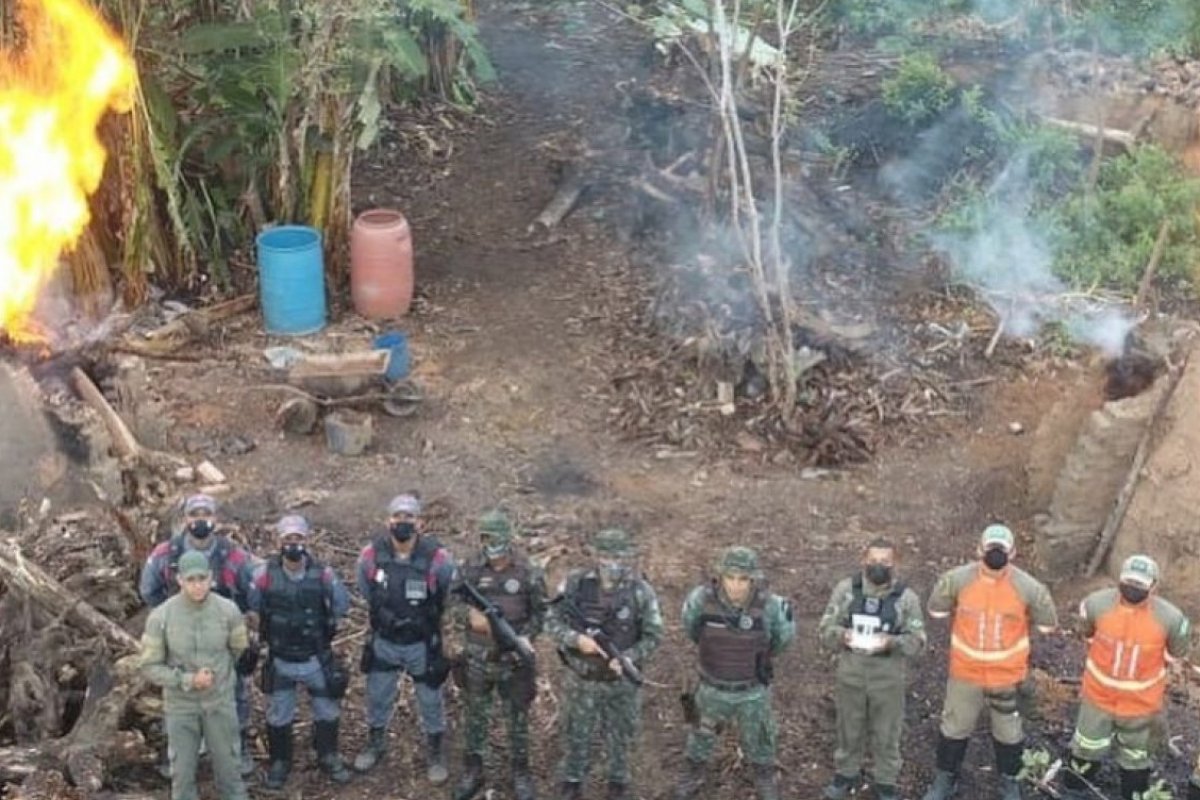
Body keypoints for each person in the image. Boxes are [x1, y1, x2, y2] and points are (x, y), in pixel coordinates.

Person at [921, 524, 1058, 800]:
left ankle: (1010, 782)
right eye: (990, 549)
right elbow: (936, 609)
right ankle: (945, 780)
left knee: (1009, 732)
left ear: (1014, 553)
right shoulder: (956, 580)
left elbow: (1047, 625)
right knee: (954, 728)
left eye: (1001, 550)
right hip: (965, 672)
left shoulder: (1028, 587)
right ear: (978, 550)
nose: (995, 554)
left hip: (1007, 676)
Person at [138, 493, 257, 776]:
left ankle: (235, 748)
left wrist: (239, 622)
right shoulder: (166, 554)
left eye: (206, 514)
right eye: (194, 515)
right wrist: (167, 618)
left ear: (215, 519)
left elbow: (254, 592)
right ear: (185, 519)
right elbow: (148, 590)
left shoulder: (234, 555)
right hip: (180, 634)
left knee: (235, 690)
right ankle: (177, 752)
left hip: (222, 635)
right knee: (178, 690)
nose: (200, 520)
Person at [548, 527, 664, 800]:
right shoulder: (575, 584)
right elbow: (551, 619)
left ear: (628, 557)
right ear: (595, 555)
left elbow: (654, 636)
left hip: (620, 682)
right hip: (581, 679)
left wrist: (628, 658)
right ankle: (572, 780)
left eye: (619, 557)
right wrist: (575, 640)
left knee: (622, 736)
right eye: (606, 556)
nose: (612, 563)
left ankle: (618, 783)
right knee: (575, 731)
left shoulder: (641, 591)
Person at [1062, 555, 1190, 800]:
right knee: (1085, 750)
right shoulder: (1096, 604)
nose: (1133, 589)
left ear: (1154, 586)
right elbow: (1087, 633)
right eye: (1129, 582)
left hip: (1140, 707)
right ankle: (1073, 791)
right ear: (1119, 580)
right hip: (1097, 700)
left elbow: (1175, 655)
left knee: (1136, 762)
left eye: (1140, 585)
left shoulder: (1171, 620)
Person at [673, 546, 795, 800]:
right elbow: (693, 630)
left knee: (761, 739)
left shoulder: (772, 606)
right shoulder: (701, 600)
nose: (737, 586)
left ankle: (764, 775)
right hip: (712, 687)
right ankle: (693, 773)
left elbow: (782, 641)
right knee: (701, 736)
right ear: (720, 577)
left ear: (754, 579)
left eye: (744, 579)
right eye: (731, 578)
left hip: (751, 690)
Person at [353, 492, 456, 784]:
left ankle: (435, 753)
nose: (402, 522)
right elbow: (365, 590)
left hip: (422, 644)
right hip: (385, 641)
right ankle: (375, 744)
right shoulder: (371, 555)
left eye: (409, 517)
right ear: (388, 521)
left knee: (430, 699)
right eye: (397, 516)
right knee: (377, 695)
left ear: (419, 522)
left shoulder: (438, 558)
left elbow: (450, 595)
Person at [248, 514, 353, 789]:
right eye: (287, 539)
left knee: (327, 708)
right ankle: (280, 761)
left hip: (316, 657)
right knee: (278, 713)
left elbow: (342, 604)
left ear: (307, 541)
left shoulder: (324, 575)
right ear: (278, 541)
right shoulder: (263, 576)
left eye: (298, 538)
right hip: (281, 657)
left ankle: (328, 755)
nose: (293, 544)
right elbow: (252, 606)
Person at [818, 537, 927, 800]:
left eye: (885, 562)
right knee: (849, 726)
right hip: (851, 672)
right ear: (864, 560)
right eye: (874, 560)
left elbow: (919, 642)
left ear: (895, 564)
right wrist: (844, 635)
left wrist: (891, 642)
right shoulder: (847, 590)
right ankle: (845, 774)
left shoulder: (906, 598)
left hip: (888, 676)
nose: (879, 566)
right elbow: (824, 630)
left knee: (887, 731)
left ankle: (886, 782)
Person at [450, 510, 548, 800]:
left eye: (498, 538)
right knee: (475, 716)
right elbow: (451, 601)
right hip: (478, 658)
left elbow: (541, 613)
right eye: (486, 538)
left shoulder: (528, 572)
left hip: (515, 660)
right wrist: (469, 616)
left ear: (509, 539)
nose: (492, 545)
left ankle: (520, 772)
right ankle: (473, 770)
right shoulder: (469, 568)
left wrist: (525, 637)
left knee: (517, 718)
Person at [138, 550, 250, 800]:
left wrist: (219, 677)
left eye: (202, 578)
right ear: (179, 580)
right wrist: (187, 680)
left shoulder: (228, 611)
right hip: (181, 706)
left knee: (230, 770)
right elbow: (149, 667)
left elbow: (238, 649)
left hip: (220, 702)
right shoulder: (161, 617)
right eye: (191, 580)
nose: (197, 585)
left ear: (212, 578)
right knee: (182, 774)